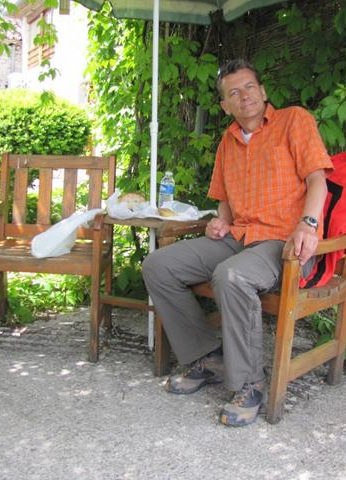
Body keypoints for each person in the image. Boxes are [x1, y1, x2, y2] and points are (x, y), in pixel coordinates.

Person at [142, 59, 333, 427]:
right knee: (158, 265)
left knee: (231, 276)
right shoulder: (227, 142)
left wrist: (308, 225)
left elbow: (318, 181)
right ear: (225, 106)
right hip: (240, 237)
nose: (243, 96)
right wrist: (221, 221)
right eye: (233, 92)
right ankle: (207, 357)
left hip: (285, 243)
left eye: (249, 87)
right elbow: (224, 200)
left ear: (262, 91)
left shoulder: (294, 121)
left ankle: (250, 384)